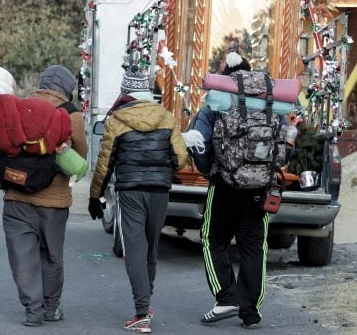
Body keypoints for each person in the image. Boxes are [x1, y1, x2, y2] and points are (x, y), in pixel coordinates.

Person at [89, 69, 190, 333]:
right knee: (150, 247)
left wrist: (94, 196)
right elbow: (180, 159)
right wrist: (160, 164)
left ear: (126, 94)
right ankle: (145, 302)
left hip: (131, 192)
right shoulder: (166, 117)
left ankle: (142, 313)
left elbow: (104, 165)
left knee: (134, 250)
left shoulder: (116, 120)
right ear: (147, 92)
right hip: (159, 191)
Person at [189, 52, 276, 330]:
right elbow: (285, 143)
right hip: (260, 185)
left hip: (224, 184)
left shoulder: (217, 99)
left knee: (212, 238)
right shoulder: (270, 101)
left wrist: (209, 171)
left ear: (226, 74)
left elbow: (199, 140)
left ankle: (226, 297)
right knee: (253, 246)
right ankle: (250, 313)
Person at [1, 65, 87, 327]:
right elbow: (80, 155)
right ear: (66, 89)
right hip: (54, 202)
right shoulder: (71, 114)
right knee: (51, 255)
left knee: (22, 257)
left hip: (17, 196)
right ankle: (50, 309)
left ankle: (33, 311)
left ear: (42, 82)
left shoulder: (19, 106)